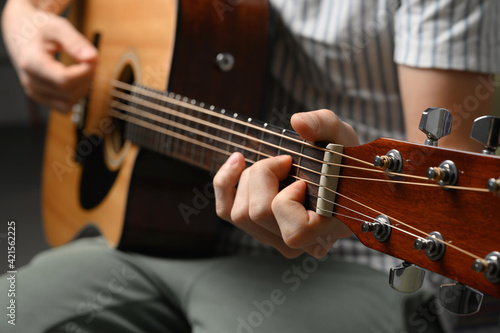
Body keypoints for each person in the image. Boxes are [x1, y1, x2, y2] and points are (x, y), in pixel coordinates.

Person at [1, 0, 499, 332]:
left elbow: (441, 190)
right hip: (155, 235)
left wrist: (337, 203)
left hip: (351, 260)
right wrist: (21, 25)